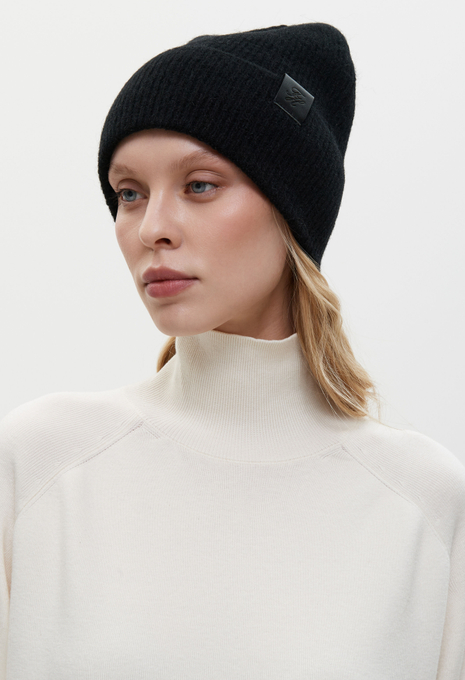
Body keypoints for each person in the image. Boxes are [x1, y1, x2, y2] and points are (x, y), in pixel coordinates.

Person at [1, 22, 464, 679]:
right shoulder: (39, 463)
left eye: (199, 185)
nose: (151, 228)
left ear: (290, 210)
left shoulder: (424, 501)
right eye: (129, 193)